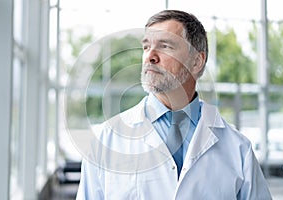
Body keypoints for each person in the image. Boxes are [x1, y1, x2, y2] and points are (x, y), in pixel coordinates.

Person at [76, 10, 272, 199]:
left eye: (165, 46)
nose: (150, 56)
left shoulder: (238, 149)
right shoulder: (105, 140)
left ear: (196, 61)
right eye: (146, 46)